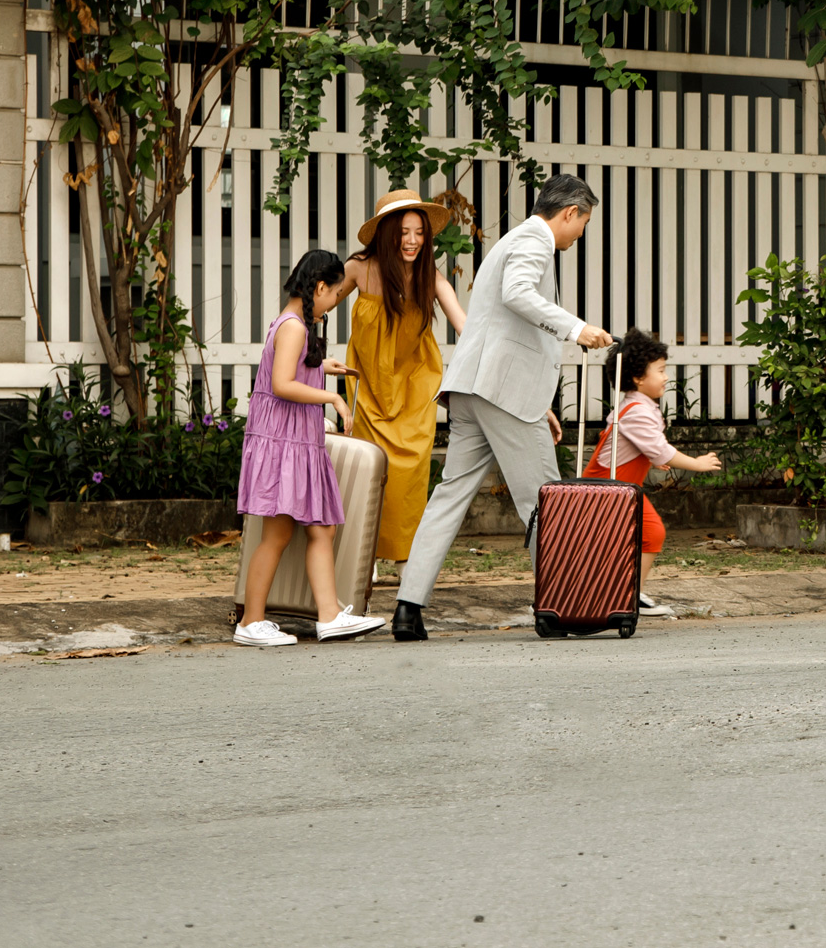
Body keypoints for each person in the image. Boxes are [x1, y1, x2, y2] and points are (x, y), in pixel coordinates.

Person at [391, 174, 614, 641]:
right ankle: (559, 607)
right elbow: (517, 294)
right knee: (546, 501)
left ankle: (408, 609)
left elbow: (501, 322)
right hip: (503, 393)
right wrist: (578, 329)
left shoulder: (513, 240)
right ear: (570, 212)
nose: (581, 233)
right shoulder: (535, 241)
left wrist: (536, 402)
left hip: (475, 389)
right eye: (584, 222)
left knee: (449, 496)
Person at [234, 250, 390, 646]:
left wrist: (322, 367)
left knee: (322, 527)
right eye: (335, 294)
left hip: (296, 442)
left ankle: (329, 616)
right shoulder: (293, 327)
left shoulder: (294, 324)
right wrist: (333, 398)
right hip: (284, 443)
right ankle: (250, 622)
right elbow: (282, 384)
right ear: (320, 287)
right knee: (278, 536)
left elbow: (292, 370)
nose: (334, 302)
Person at [338, 190, 466, 585]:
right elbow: (319, 303)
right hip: (369, 384)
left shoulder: (431, 277)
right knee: (369, 468)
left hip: (415, 384)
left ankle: (406, 556)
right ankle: (365, 551)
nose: (412, 241)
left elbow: (466, 327)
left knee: (410, 473)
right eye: (404, 232)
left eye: (419, 233)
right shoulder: (359, 268)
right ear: (387, 233)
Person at [591, 329, 723, 618]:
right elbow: (661, 450)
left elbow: (635, 447)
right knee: (647, 534)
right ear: (638, 377)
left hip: (617, 488)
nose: (666, 377)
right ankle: (624, 596)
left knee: (643, 535)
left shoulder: (635, 405)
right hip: (609, 489)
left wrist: (649, 460)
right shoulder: (637, 410)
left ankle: (624, 593)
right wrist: (697, 463)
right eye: (660, 370)